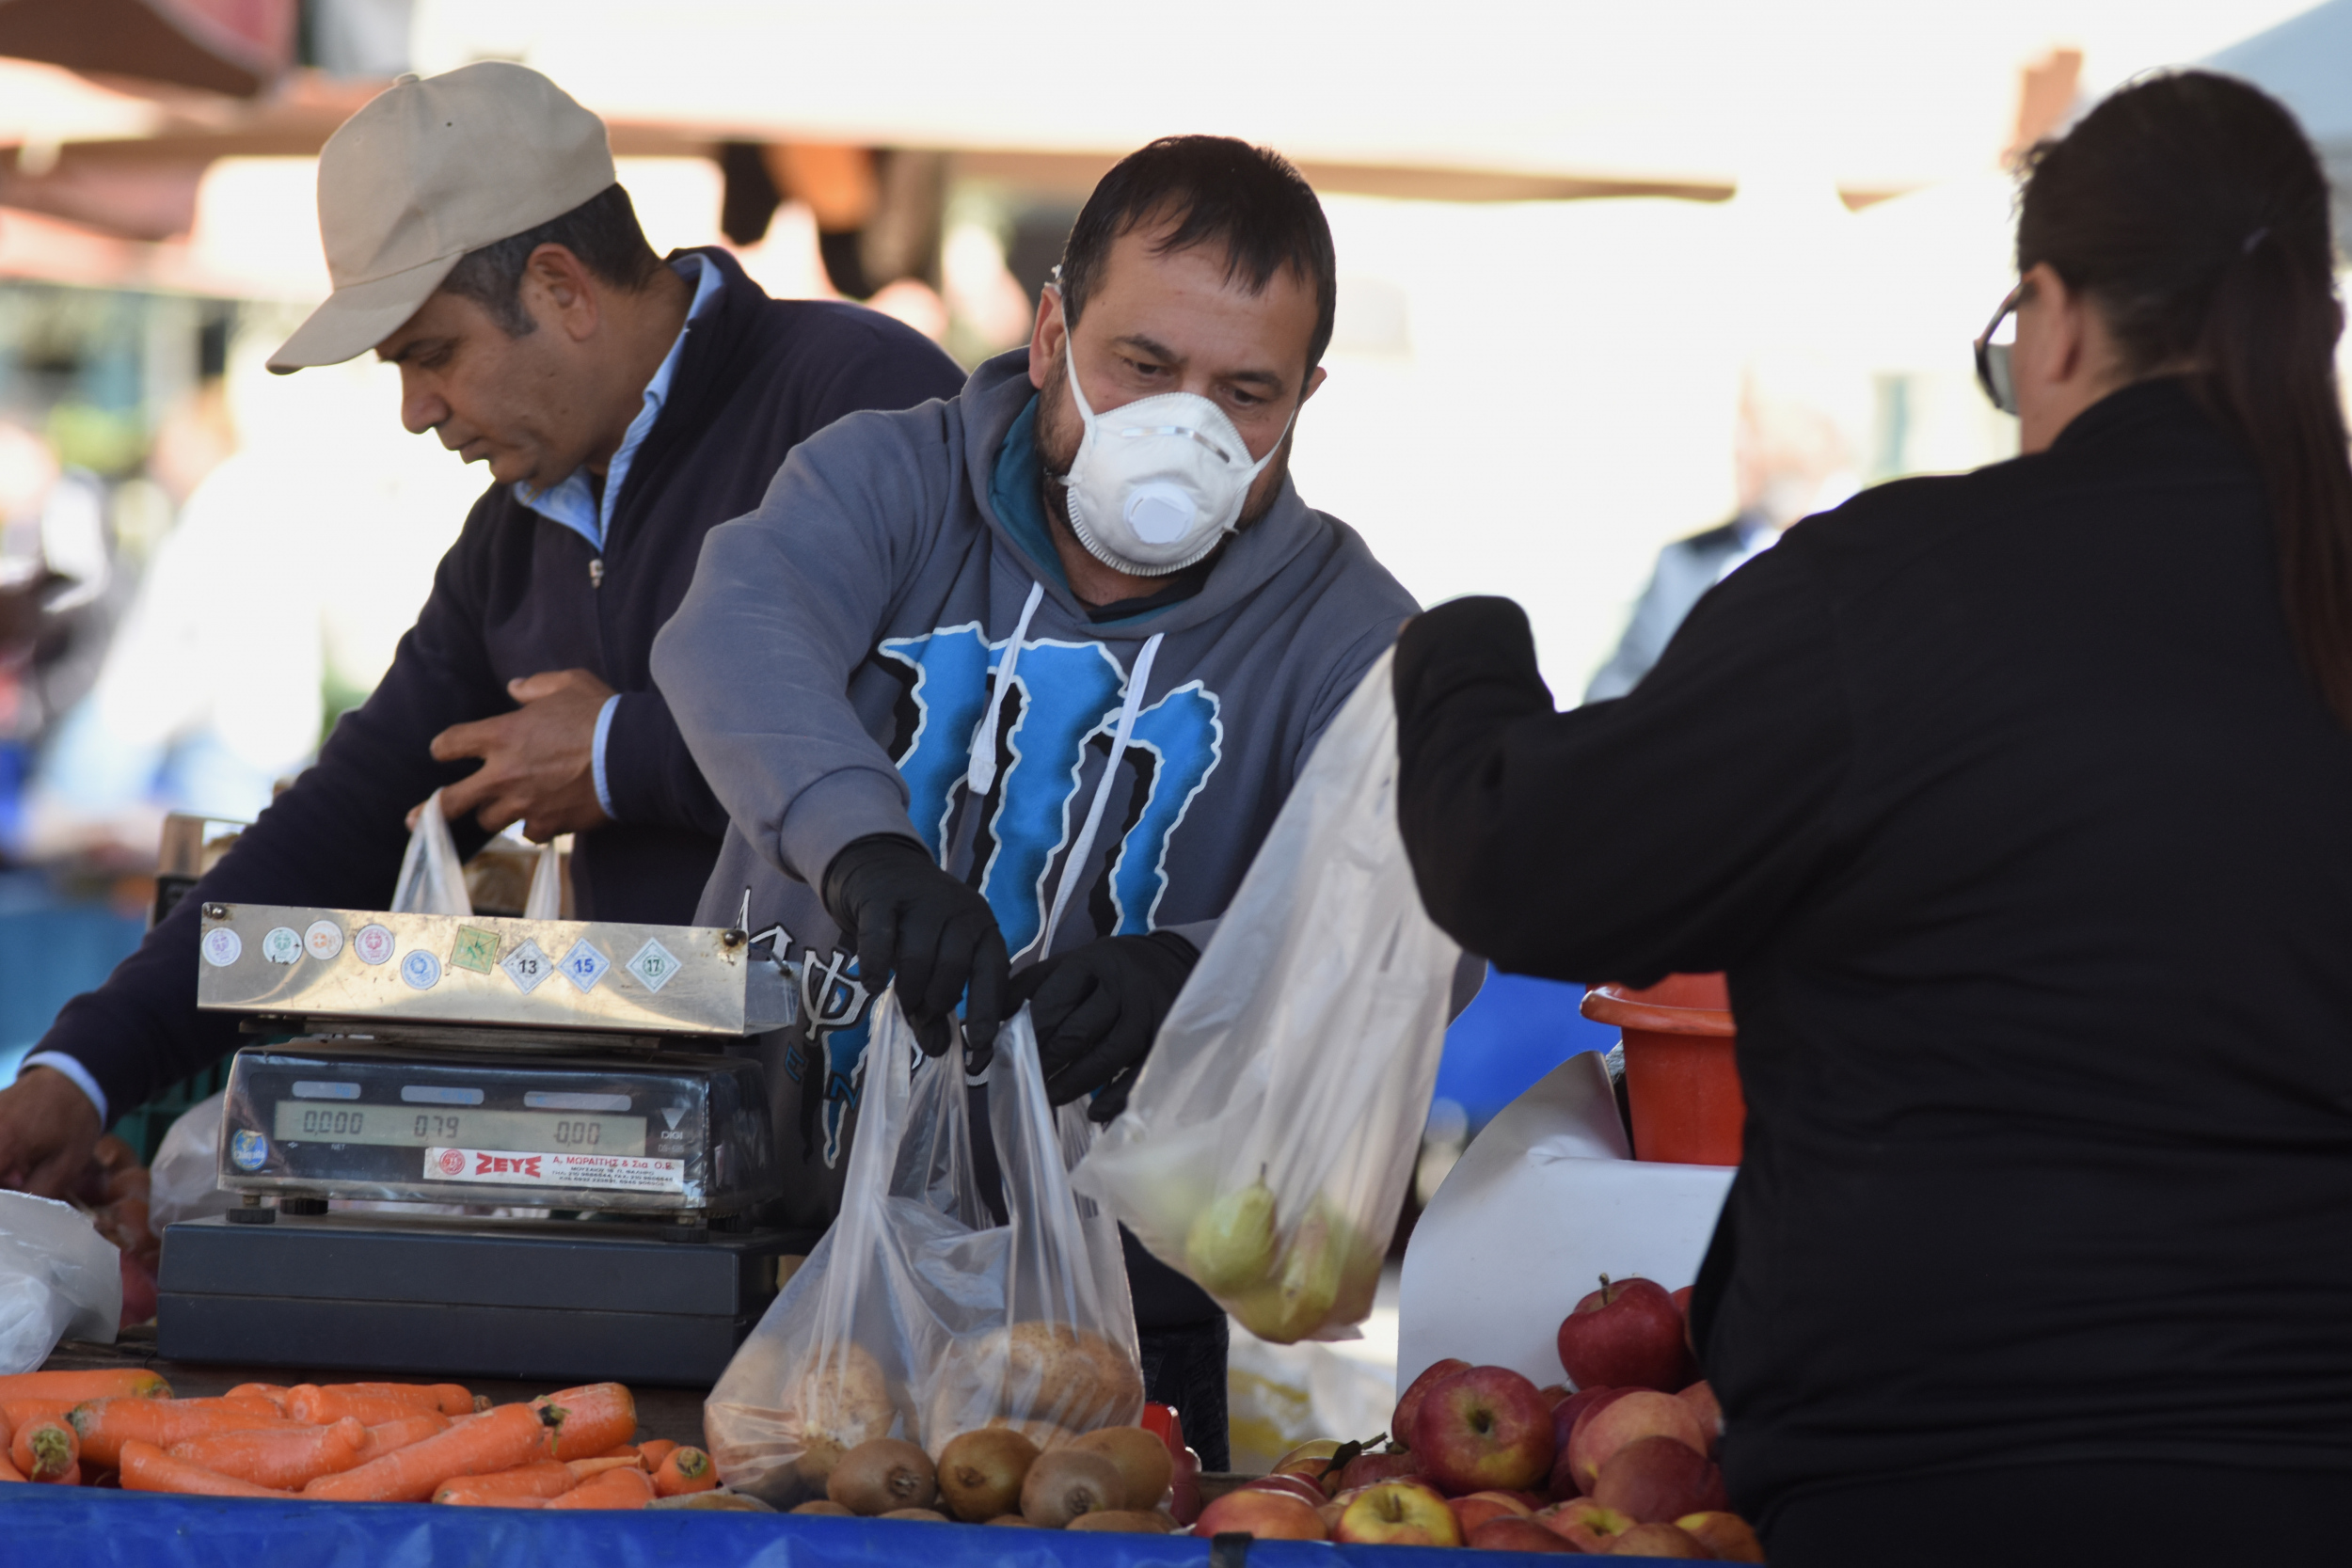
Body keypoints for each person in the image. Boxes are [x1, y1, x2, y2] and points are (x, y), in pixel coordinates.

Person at [1390, 71, 2352, 1565]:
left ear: (2058, 313)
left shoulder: (1897, 592)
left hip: (1934, 1481)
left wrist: (1460, 651)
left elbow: (1525, 862)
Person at [0, 63, 963, 1198]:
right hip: (666, 1164)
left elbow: (940, 726)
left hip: (898, 1155)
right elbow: (355, 811)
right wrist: (80, 1068)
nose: (415, 408)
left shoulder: (862, 393)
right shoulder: (514, 533)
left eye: (429, 351)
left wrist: (622, 756)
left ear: (559, 285)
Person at [652, 136, 1422, 1466]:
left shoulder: (1351, 632)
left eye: (1245, 389)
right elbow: (731, 631)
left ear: (1307, 395)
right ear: (1055, 324)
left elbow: (1409, 916)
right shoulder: (889, 478)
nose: (1184, 424)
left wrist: (1193, 976)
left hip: (1110, 1313)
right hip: (771, 1259)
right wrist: (863, 849)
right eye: (1142, 364)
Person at [1584, 361, 1861, 702]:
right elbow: (1608, 699)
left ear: (1819, 434)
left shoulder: (1885, 560)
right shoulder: (1684, 565)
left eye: (1755, 425)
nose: (1738, 447)